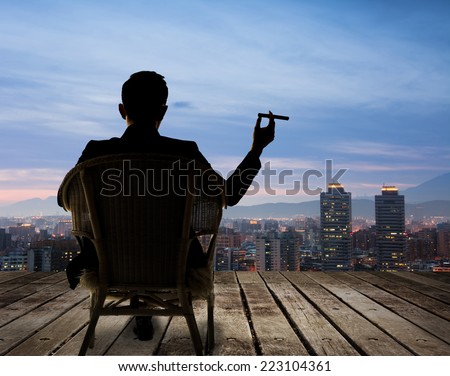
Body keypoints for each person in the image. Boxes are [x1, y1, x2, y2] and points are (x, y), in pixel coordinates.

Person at [60, 71, 276, 340]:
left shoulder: (95, 153)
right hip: (177, 265)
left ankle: (138, 308)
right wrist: (257, 149)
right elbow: (228, 195)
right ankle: (150, 310)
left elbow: (67, 201)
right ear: (163, 111)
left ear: (121, 110)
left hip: (107, 266)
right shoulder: (185, 153)